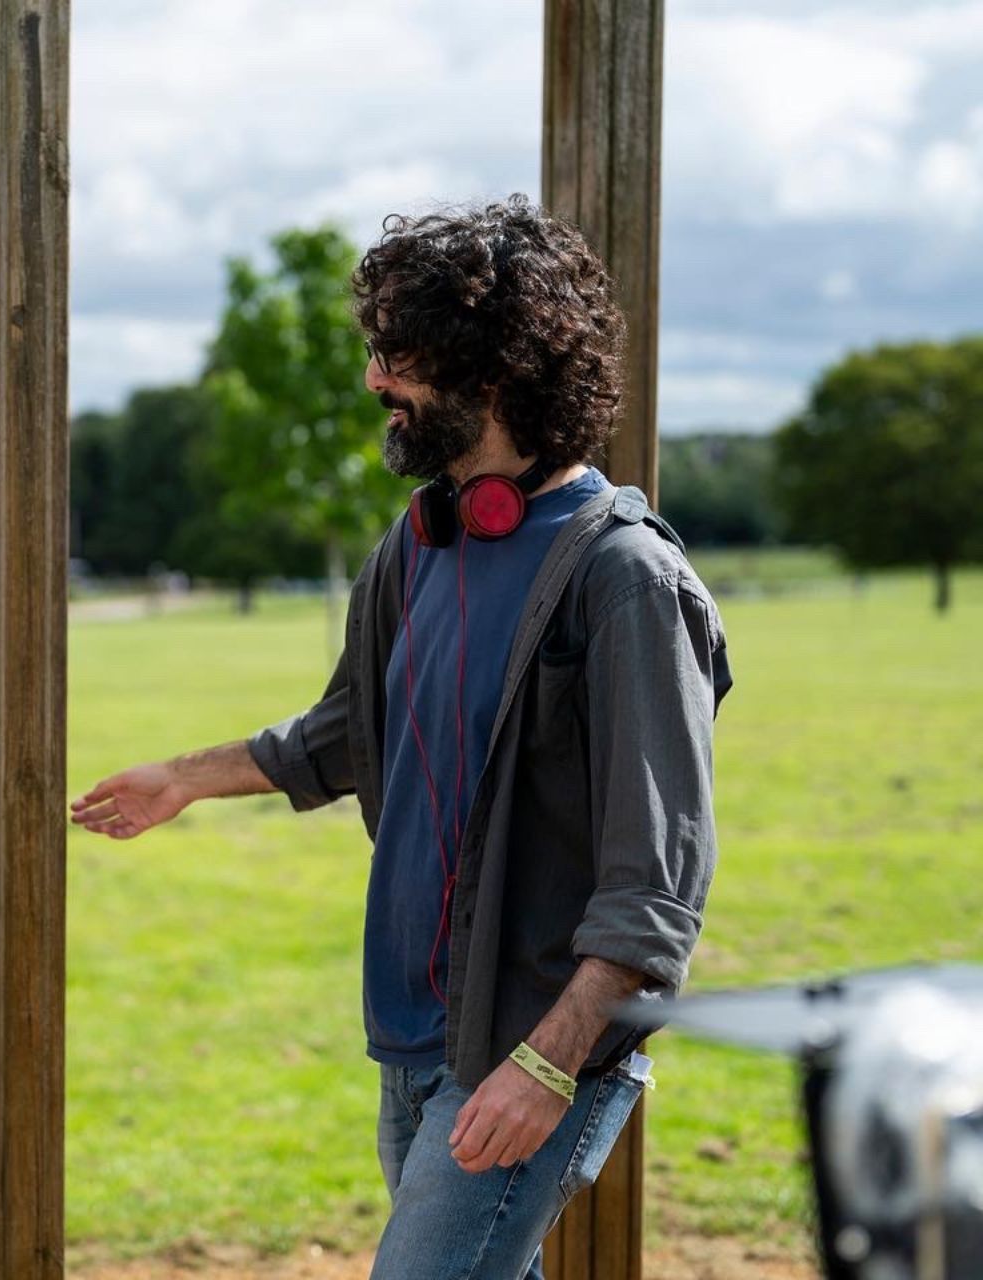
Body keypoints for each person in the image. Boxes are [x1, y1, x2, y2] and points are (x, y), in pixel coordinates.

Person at [71, 196, 732, 1280]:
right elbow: (346, 729)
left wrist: (549, 1066)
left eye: (401, 353)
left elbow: (655, 888)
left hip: (530, 1048)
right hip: (415, 1035)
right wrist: (182, 778)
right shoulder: (417, 542)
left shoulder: (626, 582)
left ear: (497, 369)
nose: (377, 378)